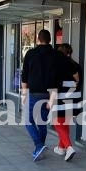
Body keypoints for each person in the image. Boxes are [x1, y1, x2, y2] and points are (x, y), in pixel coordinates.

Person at [21, 29, 64, 162]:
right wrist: (52, 99)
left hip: (34, 93)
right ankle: (40, 148)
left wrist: (23, 95)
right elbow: (58, 79)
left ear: (38, 39)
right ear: (50, 40)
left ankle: (39, 145)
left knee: (29, 122)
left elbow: (25, 76)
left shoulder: (31, 53)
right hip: (50, 94)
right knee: (42, 123)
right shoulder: (57, 55)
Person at [53, 43, 82, 162]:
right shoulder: (76, 65)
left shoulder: (58, 65)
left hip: (62, 98)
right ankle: (61, 148)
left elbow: (56, 83)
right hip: (75, 98)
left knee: (57, 123)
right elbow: (79, 82)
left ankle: (69, 147)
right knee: (65, 123)